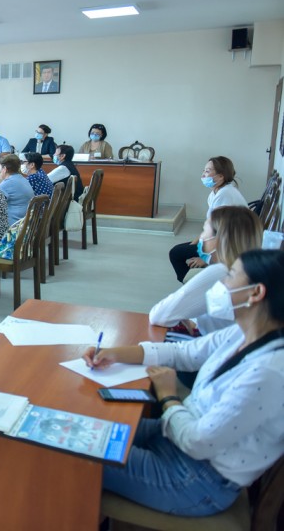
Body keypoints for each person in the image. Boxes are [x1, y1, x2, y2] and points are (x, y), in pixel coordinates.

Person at [84, 249, 284, 517]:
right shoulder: (244, 333)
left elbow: (198, 442)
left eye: (231, 276)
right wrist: (115, 353)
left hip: (194, 479)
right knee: (83, 426)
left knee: (71, 452)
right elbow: (183, 353)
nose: (222, 283)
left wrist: (168, 397)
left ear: (256, 292)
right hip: (176, 439)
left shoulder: (269, 372)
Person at [151, 206, 263, 336]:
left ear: (219, 239)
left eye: (204, 231)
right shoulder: (249, 268)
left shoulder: (221, 272)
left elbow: (159, 315)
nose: (201, 237)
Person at [168, 157, 248, 283]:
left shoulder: (225, 194)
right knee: (181, 249)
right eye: (204, 170)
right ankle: (196, 281)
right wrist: (194, 244)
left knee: (176, 253)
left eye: (207, 171)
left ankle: (196, 284)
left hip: (231, 245)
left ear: (220, 176)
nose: (203, 175)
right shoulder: (216, 193)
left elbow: (224, 232)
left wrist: (206, 259)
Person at [0, 154, 34, 226]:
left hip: (14, 227)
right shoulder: (23, 179)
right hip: (25, 225)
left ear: (4, 169)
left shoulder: (7, 183)